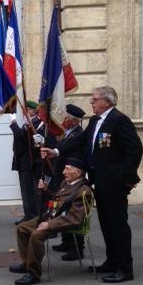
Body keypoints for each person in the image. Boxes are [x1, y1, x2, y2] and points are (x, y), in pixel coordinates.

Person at [41, 86, 143, 284]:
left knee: (118, 225)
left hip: (115, 184)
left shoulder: (119, 120)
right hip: (100, 182)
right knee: (106, 224)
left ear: (108, 101)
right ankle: (112, 262)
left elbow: (135, 150)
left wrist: (127, 179)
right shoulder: (95, 121)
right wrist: (56, 151)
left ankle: (125, 268)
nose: (92, 102)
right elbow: (79, 140)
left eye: (95, 99)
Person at [9, 158, 93, 285]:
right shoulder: (66, 183)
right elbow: (58, 199)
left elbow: (75, 219)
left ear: (77, 173)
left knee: (36, 235)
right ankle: (27, 263)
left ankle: (33, 273)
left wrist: (49, 224)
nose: (64, 171)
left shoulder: (84, 191)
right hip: (51, 216)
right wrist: (46, 189)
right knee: (22, 227)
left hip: (62, 221)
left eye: (67, 169)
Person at [49, 103, 86, 261]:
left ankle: (77, 248)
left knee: (73, 211)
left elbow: (66, 149)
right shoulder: (67, 132)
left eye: (67, 118)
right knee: (62, 208)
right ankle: (66, 241)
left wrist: (56, 152)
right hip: (62, 177)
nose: (63, 119)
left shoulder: (78, 134)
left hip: (72, 178)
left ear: (74, 121)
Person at [9, 101, 45, 224]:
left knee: (30, 191)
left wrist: (13, 123)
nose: (24, 112)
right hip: (22, 160)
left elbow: (20, 136)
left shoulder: (34, 123)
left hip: (29, 162)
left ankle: (32, 216)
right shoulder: (26, 123)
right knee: (25, 190)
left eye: (27, 109)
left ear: (32, 111)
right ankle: (28, 215)